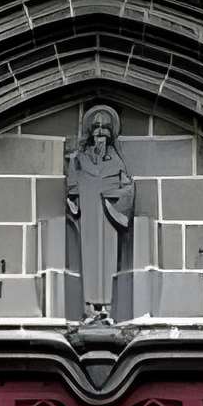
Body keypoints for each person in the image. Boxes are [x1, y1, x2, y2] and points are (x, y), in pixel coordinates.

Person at [65, 105, 136, 322]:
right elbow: (72, 186)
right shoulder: (79, 159)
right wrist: (74, 199)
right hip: (88, 215)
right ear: (90, 131)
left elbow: (127, 187)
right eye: (96, 127)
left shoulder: (116, 160)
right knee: (90, 257)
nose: (100, 132)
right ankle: (90, 307)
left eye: (105, 128)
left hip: (108, 216)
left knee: (108, 258)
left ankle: (105, 308)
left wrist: (114, 198)